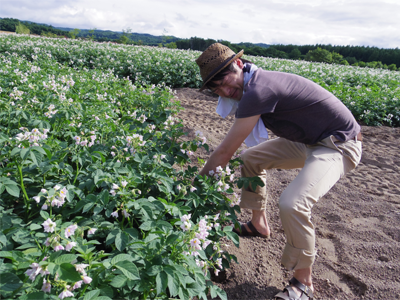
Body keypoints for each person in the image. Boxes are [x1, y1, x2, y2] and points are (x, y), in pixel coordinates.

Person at [195, 43, 362, 300]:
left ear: (239, 64)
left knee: (293, 204)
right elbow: (233, 152)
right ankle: (258, 224)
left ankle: (303, 283)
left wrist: (193, 189)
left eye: (225, 80)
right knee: (250, 158)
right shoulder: (252, 82)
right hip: (310, 141)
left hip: (339, 144)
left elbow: (223, 152)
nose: (225, 90)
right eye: (216, 88)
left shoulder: (259, 90)